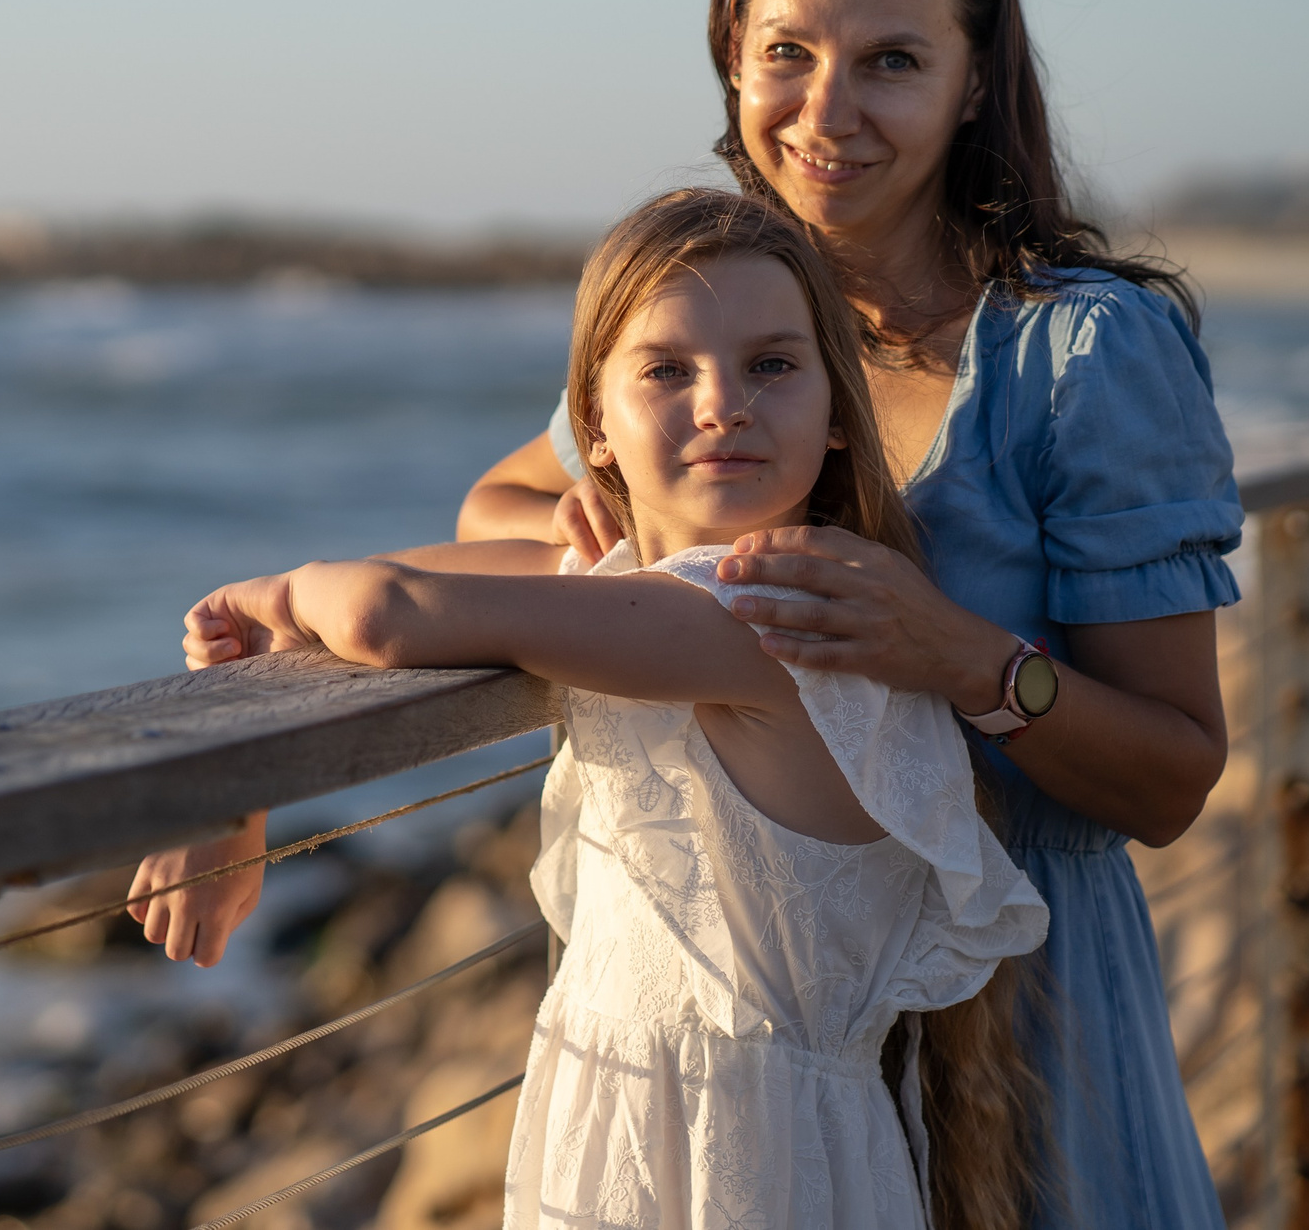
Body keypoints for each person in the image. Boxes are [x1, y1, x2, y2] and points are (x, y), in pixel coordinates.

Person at [458, 0, 1243, 1229]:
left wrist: (964, 657)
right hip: (757, 1052)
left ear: (973, 78)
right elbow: (500, 505)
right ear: (731, 57)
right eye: (787, 53)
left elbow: (1173, 776)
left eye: (891, 58)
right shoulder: (730, 315)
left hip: (1024, 1022)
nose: (828, 111)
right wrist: (592, 511)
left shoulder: (1078, 351)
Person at [135, 191, 1048, 1230]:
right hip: (626, 1113)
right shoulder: (615, 589)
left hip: (745, 1164)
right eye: (667, 370)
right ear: (592, 430)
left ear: (838, 414)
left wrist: (275, 595)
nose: (723, 404)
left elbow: (383, 611)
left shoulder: (773, 615)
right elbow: (370, 597)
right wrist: (236, 786)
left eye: (773, 365)